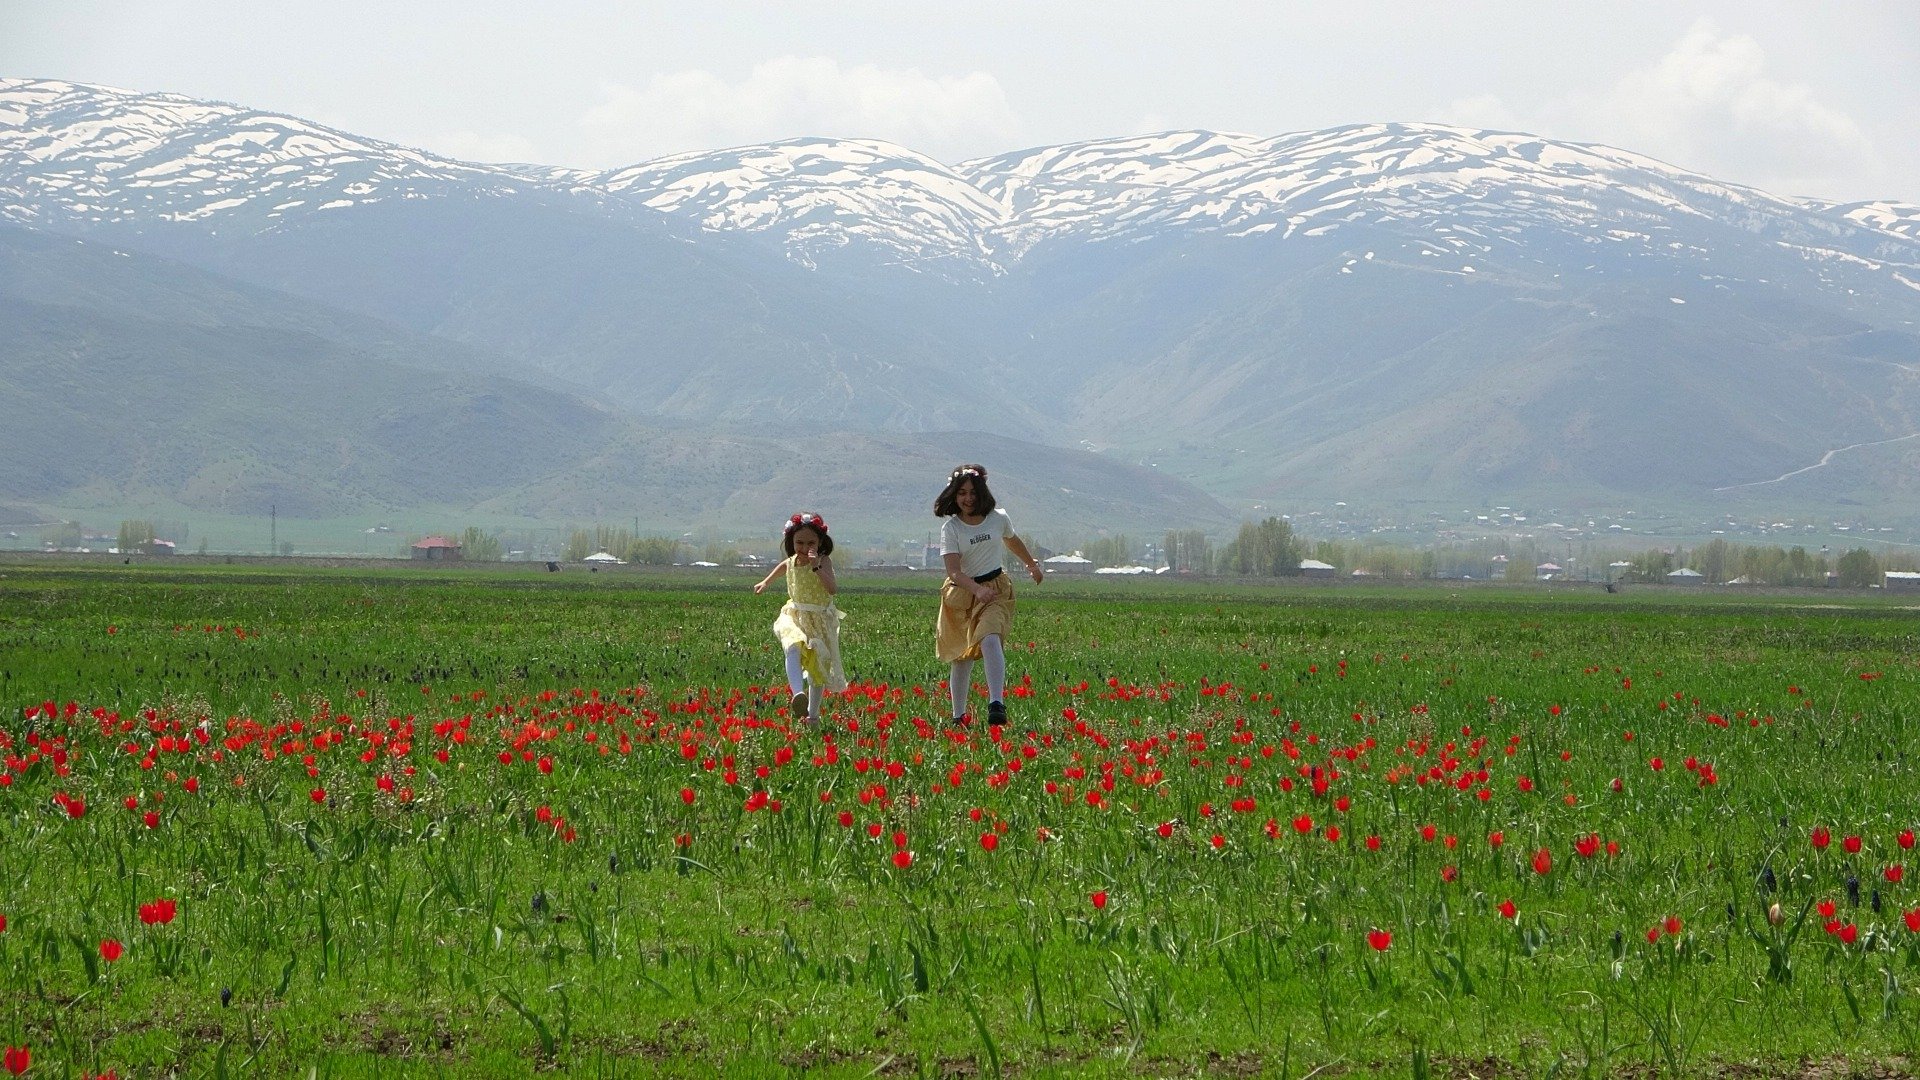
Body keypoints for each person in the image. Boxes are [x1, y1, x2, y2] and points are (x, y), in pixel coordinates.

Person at [934, 465, 1044, 727]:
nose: (968, 498)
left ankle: (996, 703)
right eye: (962, 493)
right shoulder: (951, 529)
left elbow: (1012, 540)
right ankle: (958, 716)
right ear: (954, 495)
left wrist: (1031, 565)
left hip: (995, 589)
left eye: (973, 492)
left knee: (990, 638)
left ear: (982, 492)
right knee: (961, 657)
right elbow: (953, 571)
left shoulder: (998, 518)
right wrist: (976, 590)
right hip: (962, 594)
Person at [753, 513, 846, 724]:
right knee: (791, 646)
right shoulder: (791, 561)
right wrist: (765, 582)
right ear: (791, 542)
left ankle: (812, 716)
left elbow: (832, 589)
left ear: (820, 542)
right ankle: (797, 694)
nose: (804, 548)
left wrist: (816, 567)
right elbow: (782, 568)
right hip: (795, 613)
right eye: (799, 543)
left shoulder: (824, 561)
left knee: (817, 668)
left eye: (810, 543)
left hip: (819, 619)